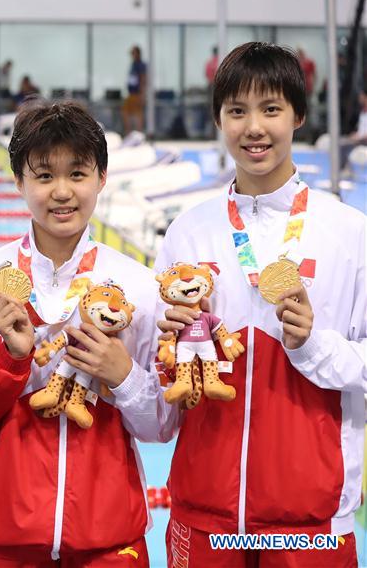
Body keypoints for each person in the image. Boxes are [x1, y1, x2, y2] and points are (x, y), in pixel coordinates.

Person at [0, 99, 171, 567]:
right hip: (3, 541)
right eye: (44, 176)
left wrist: (122, 374)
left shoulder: (140, 287)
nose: (62, 191)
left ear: (102, 178)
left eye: (77, 174)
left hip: (110, 544)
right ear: (18, 180)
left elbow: (161, 426)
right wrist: (11, 362)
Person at [156, 42, 365, 567]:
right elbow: (161, 383)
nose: (254, 128)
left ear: (297, 114)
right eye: (237, 111)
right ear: (219, 120)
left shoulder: (348, 233)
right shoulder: (189, 232)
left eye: (270, 109)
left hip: (310, 521)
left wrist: (313, 345)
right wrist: (169, 350)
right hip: (205, 515)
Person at [121, 46, 147, 134]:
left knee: (138, 114)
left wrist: (142, 94)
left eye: (133, 53)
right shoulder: (133, 64)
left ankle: (139, 133)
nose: (132, 55)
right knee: (126, 112)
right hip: (131, 93)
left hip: (137, 93)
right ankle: (129, 132)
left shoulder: (140, 65)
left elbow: (143, 78)